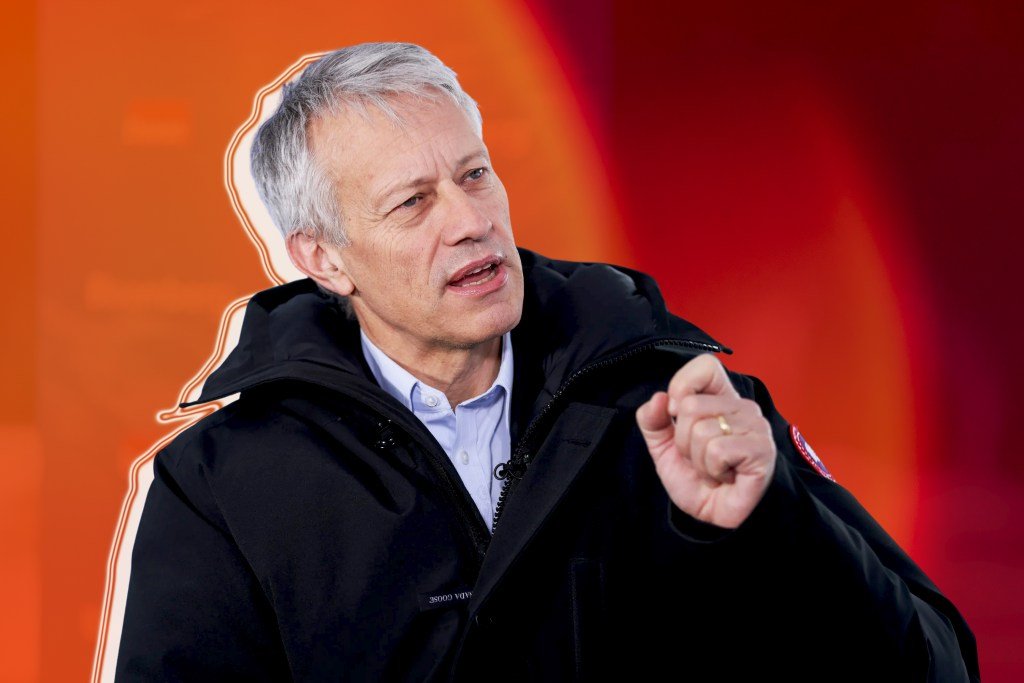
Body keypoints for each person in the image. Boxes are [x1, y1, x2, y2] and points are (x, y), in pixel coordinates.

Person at [114, 42, 979, 682]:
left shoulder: (684, 405)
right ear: (324, 258)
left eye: (474, 175)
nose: (471, 221)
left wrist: (774, 521)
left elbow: (936, 666)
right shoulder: (219, 486)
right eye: (412, 202)